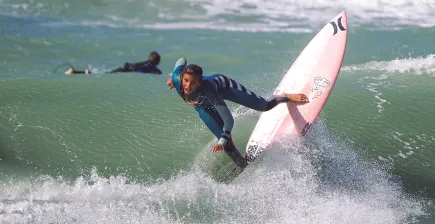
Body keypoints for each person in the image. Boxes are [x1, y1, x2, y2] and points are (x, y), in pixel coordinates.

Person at [167, 58, 309, 168]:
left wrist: (221, 141)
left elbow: (229, 120)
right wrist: (172, 80)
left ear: (199, 83)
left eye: (193, 83)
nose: (188, 86)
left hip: (225, 88)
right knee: (226, 142)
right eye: (186, 81)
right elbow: (181, 60)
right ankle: (242, 164)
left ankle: (285, 97)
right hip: (202, 106)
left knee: (263, 106)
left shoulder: (209, 90)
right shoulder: (177, 78)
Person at [65, 51, 162, 75]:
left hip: (122, 69)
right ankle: (75, 72)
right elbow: (156, 72)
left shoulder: (147, 63)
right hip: (124, 71)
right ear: (157, 61)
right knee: (102, 74)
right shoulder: (150, 65)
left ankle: (77, 71)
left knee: (104, 74)